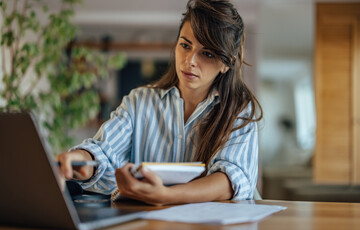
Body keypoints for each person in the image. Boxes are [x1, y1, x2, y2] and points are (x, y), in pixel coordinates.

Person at [57, 0, 263, 206]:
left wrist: (166, 196)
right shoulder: (139, 101)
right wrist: (81, 160)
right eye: (185, 45)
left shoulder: (240, 110)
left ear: (227, 64)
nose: (190, 60)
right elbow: (103, 151)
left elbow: (230, 180)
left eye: (207, 53)